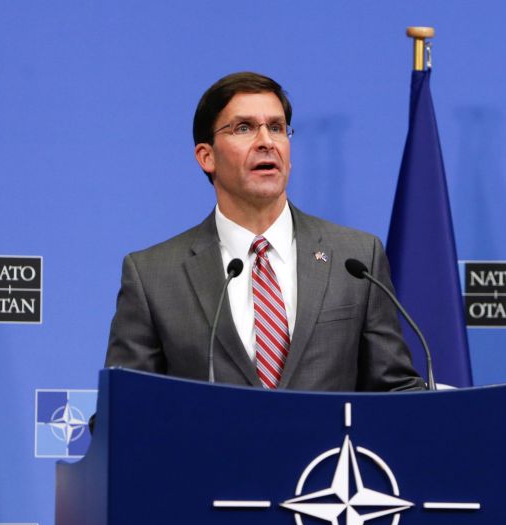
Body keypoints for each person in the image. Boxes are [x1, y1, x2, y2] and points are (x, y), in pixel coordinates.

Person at [105, 72, 424, 391]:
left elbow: (394, 390)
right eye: (243, 128)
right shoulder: (154, 276)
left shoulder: (355, 259)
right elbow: (122, 409)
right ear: (207, 156)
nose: (266, 142)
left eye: (276, 127)